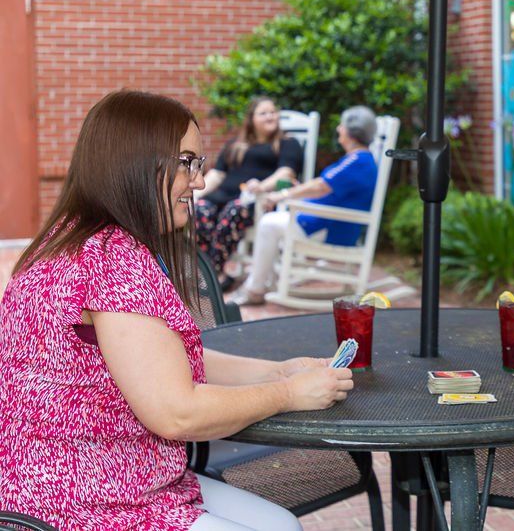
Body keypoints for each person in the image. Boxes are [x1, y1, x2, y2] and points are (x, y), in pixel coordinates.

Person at [0, 90, 354, 531]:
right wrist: (289, 396)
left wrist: (279, 371)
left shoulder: (69, 238)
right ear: (136, 163)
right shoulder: (112, 258)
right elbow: (176, 411)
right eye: (187, 162)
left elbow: (158, 362)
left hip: (83, 480)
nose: (200, 181)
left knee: (281, 525)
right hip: (82, 502)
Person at [228, 105, 378, 305]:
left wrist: (284, 194)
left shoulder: (358, 161)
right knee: (272, 222)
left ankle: (255, 289)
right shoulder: (357, 160)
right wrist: (300, 195)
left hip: (329, 228)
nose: (339, 129)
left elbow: (321, 186)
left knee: (268, 223)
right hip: (324, 222)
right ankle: (265, 282)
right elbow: (326, 189)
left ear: (352, 132)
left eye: (342, 126)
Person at [194, 97, 303, 274]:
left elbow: (287, 172)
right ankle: (205, 270)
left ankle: (212, 274)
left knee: (234, 210)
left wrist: (262, 186)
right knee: (200, 209)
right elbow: (218, 174)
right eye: (263, 113)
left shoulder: (288, 143)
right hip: (223, 195)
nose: (270, 117)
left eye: (273, 112)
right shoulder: (235, 144)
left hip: (255, 200)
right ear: (252, 119)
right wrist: (197, 193)